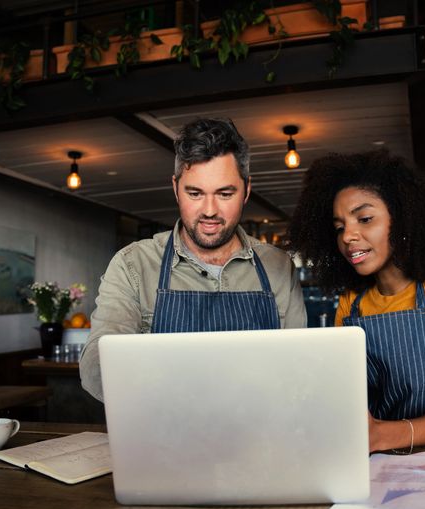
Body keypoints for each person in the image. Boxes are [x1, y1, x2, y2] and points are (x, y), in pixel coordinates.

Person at [80, 118, 307, 402]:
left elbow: (300, 368)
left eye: (225, 194)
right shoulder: (133, 265)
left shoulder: (278, 267)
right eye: (195, 193)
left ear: (247, 190)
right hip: (162, 435)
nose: (209, 210)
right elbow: (95, 366)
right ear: (176, 188)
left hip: (261, 438)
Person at [288, 150, 425, 453]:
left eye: (365, 219)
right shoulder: (352, 301)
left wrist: (382, 436)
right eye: (339, 227)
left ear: (403, 219)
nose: (348, 236)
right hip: (370, 459)